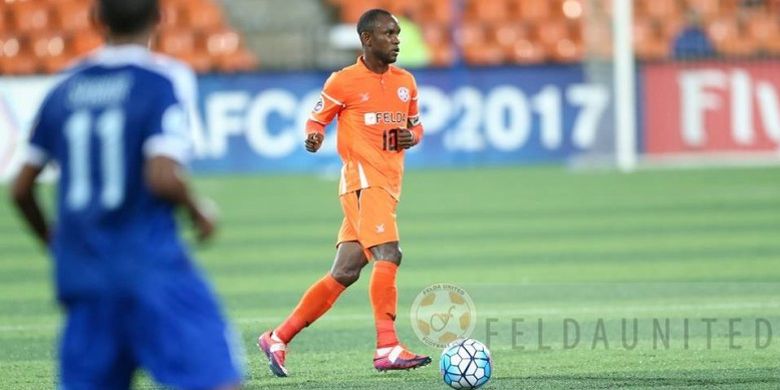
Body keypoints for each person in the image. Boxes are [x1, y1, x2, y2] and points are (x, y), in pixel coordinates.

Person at [9, 0, 243, 388]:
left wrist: (53, 242)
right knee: (216, 378)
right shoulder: (162, 79)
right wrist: (197, 210)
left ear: (96, 19)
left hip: (84, 275)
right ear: (159, 18)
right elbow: (163, 178)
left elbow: (21, 188)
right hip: (151, 267)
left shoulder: (66, 85)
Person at [257, 8, 431, 377]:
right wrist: (315, 135)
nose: (397, 40)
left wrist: (410, 138)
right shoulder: (343, 81)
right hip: (363, 182)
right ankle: (387, 347)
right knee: (389, 253)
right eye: (389, 34)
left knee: (346, 271)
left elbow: (417, 128)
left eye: (398, 34)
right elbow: (315, 117)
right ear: (367, 39)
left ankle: (277, 337)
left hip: (388, 183)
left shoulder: (406, 82)